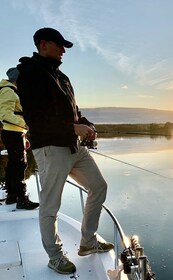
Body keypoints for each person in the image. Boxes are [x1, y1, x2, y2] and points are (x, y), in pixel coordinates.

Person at [16, 27, 114, 275]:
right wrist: (74, 126)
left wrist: (86, 125)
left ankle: (87, 243)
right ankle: (55, 256)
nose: (63, 50)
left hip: (74, 146)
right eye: (59, 45)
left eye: (64, 46)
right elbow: (35, 118)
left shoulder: (63, 77)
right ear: (43, 44)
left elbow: (74, 112)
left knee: (99, 186)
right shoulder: (29, 73)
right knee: (50, 206)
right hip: (50, 148)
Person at [0, 67, 39, 210]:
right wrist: (26, 125)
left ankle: (12, 196)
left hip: (15, 133)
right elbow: (5, 115)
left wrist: (24, 135)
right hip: (13, 133)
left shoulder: (10, 90)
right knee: (20, 165)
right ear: (18, 79)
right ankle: (22, 198)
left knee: (14, 164)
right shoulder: (8, 91)